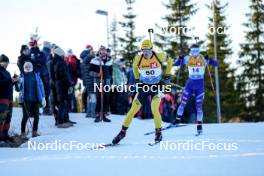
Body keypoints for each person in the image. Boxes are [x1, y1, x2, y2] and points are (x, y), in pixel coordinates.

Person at [112, 39, 172, 144]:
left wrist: (167, 75)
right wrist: (136, 80)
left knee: (154, 109)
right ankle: (122, 132)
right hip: (144, 87)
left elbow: (170, 60)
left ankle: (158, 133)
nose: (145, 53)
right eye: (143, 50)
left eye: (147, 50)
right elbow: (135, 67)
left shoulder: (159, 56)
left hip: (156, 87)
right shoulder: (138, 58)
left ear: (151, 49)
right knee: (132, 110)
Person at [173, 44, 218, 135]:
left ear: (199, 51)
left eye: (196, 51)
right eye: (193, 51)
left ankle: (199, 126)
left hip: (199, 85)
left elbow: (215, 64)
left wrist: (209, 59)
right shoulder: (188, 58)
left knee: (199, 107)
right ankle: (177, 120)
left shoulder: (203, 58)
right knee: (183, 103)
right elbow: (176, 64)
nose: (194, 54)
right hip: (190, 84)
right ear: (191, 51)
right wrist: (180, 58)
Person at [18, 62, 46, 138]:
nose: (28, 68)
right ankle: (23, 133)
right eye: (26, 66)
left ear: (32, 67)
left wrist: (43, 98)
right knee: (25, 116)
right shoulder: (21, 76)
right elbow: (17, 89)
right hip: (26, 100)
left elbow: (41, 87)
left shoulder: (36, 76)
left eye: (29, 66)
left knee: (37, 116)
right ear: (24, 68)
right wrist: (18, 82)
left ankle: (34, 131)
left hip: (36, 99)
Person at [50, 46, 75, 128]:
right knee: (63, 102)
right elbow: (64, 75)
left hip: (57, 84)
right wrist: (69, 83)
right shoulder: (61, 62)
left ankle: (61, 120)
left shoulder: (54, 61)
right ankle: (60, 121)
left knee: (61, 102)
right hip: (62, 85)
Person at [89, 46, 112, 123]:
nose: (103, 52)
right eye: (101, 51)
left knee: (106, 98)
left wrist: (109, 80)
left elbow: (111, 72)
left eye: (104, 51)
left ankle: (104, 115)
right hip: (99, 82)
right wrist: (97, 74)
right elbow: (90, 72)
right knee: (99, 98)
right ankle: (98, 115)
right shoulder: (94, 60)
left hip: (107, 82)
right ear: (99, 52)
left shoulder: (109, 61)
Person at [0, 54, 19, 143]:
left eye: (7, 63)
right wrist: (10, 80)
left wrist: (14, 81)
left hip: (9, 98)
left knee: (8, 117)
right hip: (2, 97)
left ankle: (5, 135)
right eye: (5, 62)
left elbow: (8, 83)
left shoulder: (7, 72)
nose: (7, 64)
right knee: (1, 117)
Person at [80, 45, 96, 118]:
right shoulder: (90, 60)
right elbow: (92, 72)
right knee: (93, 97)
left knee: (89, 96)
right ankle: (92, 113)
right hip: (91, 80)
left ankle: (88, 112)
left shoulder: (83, 61)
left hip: (86, 81)